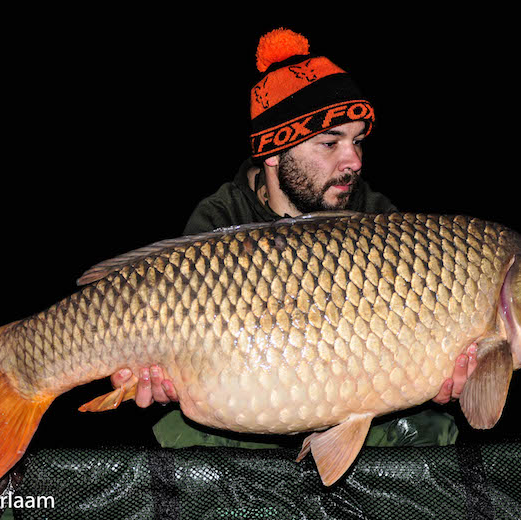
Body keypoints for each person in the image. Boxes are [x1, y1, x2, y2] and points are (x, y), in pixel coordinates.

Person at [111, 28, 477, 447]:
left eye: (358, 140)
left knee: (434, 430)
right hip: (249, 401)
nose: (353, 160)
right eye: (330, 142)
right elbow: (182, 350)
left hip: (356, 396)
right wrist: (161, 381)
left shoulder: (378, 220)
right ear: (271, 153)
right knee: (176, 435)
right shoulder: (219, 219)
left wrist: (440, 373)